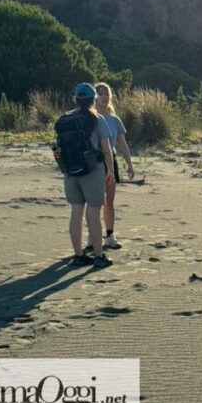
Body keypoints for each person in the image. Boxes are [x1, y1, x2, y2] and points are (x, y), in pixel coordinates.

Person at [56, 83, 115, 268]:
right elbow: (106, 149)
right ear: (93, 99)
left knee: (76, 212)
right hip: (92, 170)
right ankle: (98, 255)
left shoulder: (64, 119)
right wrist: (110, 171)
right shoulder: (98, 119)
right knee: (93, 213)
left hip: (71, 171)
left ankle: (78, 254)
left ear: (75, 99)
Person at [87, 82, 135, 250]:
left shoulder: (114, 120)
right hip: (94, 161)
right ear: (94, 97)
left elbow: (122, 144)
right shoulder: (89, 118)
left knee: (109, 200)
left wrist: (129, 163)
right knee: (95, 202)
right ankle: (92, 238)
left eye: (107, 94)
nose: (104, 97)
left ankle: (109, 235)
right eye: (100, 93)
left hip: (111, 159)